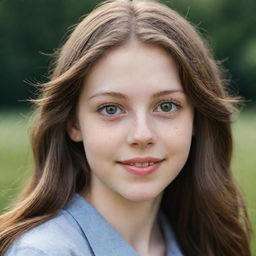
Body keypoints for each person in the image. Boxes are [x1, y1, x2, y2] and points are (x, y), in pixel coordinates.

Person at [0, 0, 252, 255]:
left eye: (166, 106)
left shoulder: (203, 243)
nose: (141, 135)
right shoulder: (44, 251)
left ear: (197, 118)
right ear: (73, 123)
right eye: (111, 109)